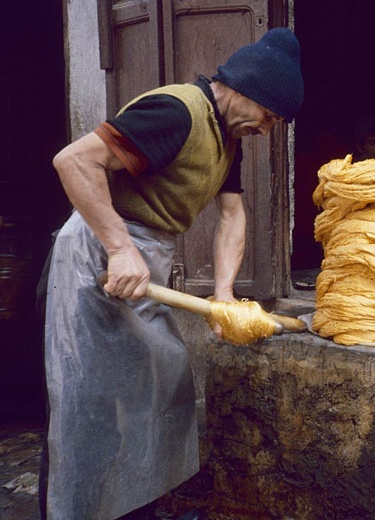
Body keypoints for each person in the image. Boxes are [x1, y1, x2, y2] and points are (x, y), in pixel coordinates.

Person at [41, 27, 303, 519]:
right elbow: (73, 161)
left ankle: (138, 506)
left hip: (145, 259)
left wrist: (224, 293)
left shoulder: (227, 137)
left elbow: (232, 216)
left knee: (164, 384)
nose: (268, 129)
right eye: (268, 116)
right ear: (245, 90)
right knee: (88, 403)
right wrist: (119, 248)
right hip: (98, 257)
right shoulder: (177, 112)